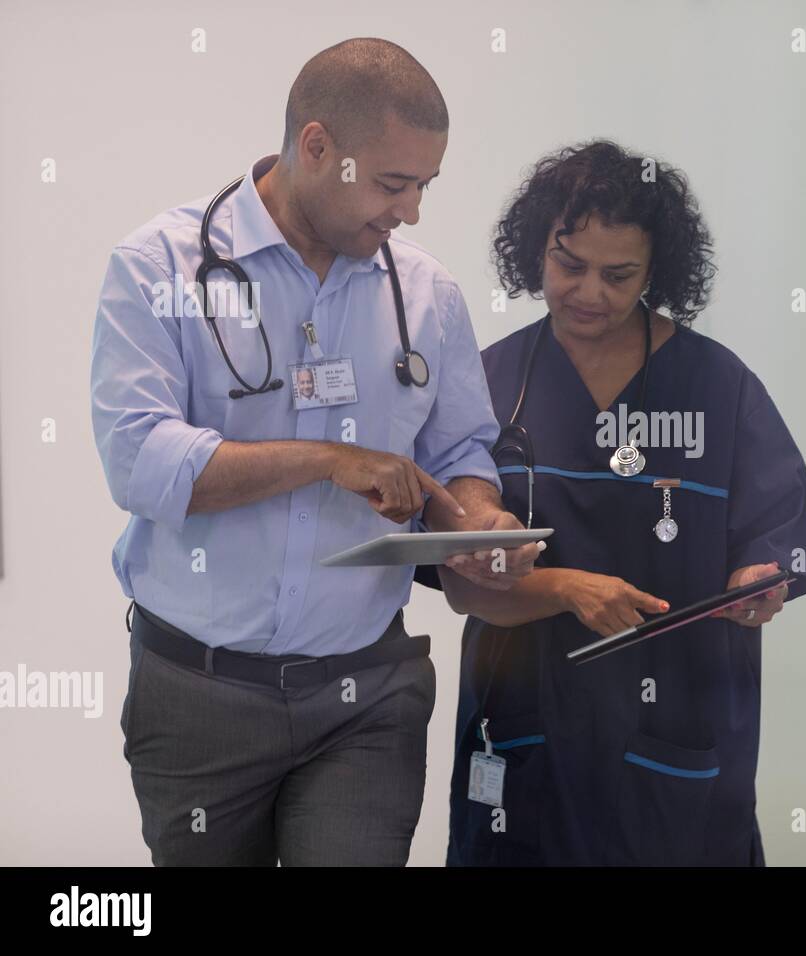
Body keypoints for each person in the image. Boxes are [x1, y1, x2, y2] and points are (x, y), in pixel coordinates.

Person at [90, 38, 539, 866]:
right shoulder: (161, 268)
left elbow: (464, 448)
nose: (409, 212)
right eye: (392, 184)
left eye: (423, 187)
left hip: (366, 695)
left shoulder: (426, 292)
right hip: (199, 696)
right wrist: (328, 459)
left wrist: (477, 518)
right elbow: (139, 461)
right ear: (317, 147)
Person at [416, 140, 806, 866]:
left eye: (619, 274)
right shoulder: (491, 382)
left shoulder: (717, 389)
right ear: (536, 248)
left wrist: (758, 582)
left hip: (676, 730)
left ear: (655, 273)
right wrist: (565, 590)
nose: (589, 292)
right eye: (569, 264)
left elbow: (775, 542)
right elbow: (458, 576)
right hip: (521, 721)